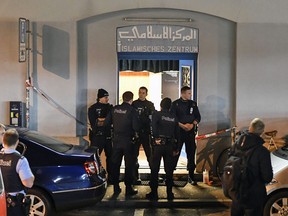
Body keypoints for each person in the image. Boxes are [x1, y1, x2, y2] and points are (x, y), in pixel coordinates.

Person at [230, 118, 273, 216]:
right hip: (254, 196)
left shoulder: (236, 146)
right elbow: (267, 177)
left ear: (250, 128)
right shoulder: (262, 152)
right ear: (262, 132)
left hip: (236, 192)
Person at [105, 91, 140, 196]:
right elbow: (136, 127)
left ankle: (116, 187)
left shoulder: (114, 109)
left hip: (116, 141)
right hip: (128, 141)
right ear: (131, 100)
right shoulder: (132, 111)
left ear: (123, 98)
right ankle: (128, 188)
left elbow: (107, 123)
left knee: (115, 164)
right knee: (129, 165)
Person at [146, 98, 180, 201]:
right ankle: (169, 193)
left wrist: (155, 139)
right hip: (169, 146)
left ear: (161, 105)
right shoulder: (174, 117)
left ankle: (154, 193)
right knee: (169, 170)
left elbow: (153, 128)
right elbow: (177, 133)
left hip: (158, 145)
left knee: (155, 169)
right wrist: (177, 147)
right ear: (170, 107)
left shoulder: (157, 115)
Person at [170, 86, 201, 185]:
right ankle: (170, 176)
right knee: (176, 153)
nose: (190, 95)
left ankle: (191, 176)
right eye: (188, 93)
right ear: (183, 93)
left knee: (191, 154)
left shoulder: (193, 104)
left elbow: (198, 117)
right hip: (179, 132)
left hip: (190, 133)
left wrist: (192, 124)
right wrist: (182, 126)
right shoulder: (175, 104)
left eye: (190, 93)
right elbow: (173, 118)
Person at [0, 129, 35, 216]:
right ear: (17, 142)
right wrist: (32, 177)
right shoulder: (20, 160)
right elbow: (28, 183)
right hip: (14, 204)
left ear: (3, 141)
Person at [88, 88, 113, 182]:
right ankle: (95, 177)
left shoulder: (110, 107)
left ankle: (111, 178)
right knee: (94, 157)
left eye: (107, 97)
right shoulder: (93, 108)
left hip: (108, 136)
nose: (107, 99)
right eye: (105, 97)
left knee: (111, 157)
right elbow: (94, 123)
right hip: (97, 137)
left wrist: (101, 120)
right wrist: (105, 120)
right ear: (100, 98)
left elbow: (110, 121)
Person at [132, 86, 155, 183]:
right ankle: (135, 177)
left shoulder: (150, 104)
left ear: (146, 94)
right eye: (140, 92)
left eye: (143, 92)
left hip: (146, 133)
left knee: (150, 155)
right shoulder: (134, 104)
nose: (141, 94)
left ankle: (154, 177)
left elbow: (153, 117)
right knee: (134, 156)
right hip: (136, 133)